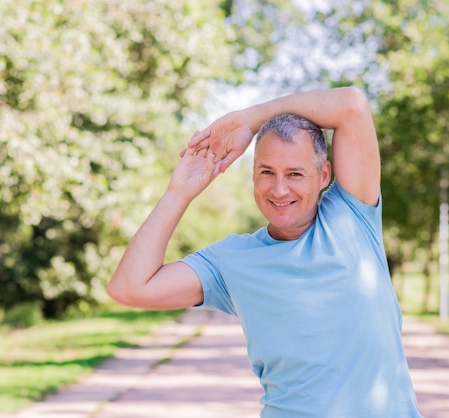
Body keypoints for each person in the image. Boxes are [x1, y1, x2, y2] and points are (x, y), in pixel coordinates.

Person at [107, 87, 422, 417]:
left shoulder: (352, 215)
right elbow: (129, 287)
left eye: (295, 174)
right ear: (254, 176)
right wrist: (179, 192)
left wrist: (248, 119)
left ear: (323, 175)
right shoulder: (231, 260)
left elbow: (351, 105)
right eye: (267, 172)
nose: (279, 189)